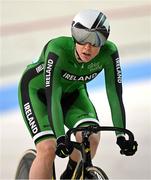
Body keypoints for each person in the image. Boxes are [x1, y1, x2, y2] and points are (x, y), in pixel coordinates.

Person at [18, 9, 138, 179]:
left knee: (92, 138)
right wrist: (60, 138)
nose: (87, 47)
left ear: (104, 41)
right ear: (74, 35)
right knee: (48, 148)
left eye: (95, 40)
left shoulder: (109, 53)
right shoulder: (57, 49)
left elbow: (114, 93)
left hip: (73, 92)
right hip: (39, 94)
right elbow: (53, 96)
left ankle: (69, 174)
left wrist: (121, 135)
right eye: (82, 37)